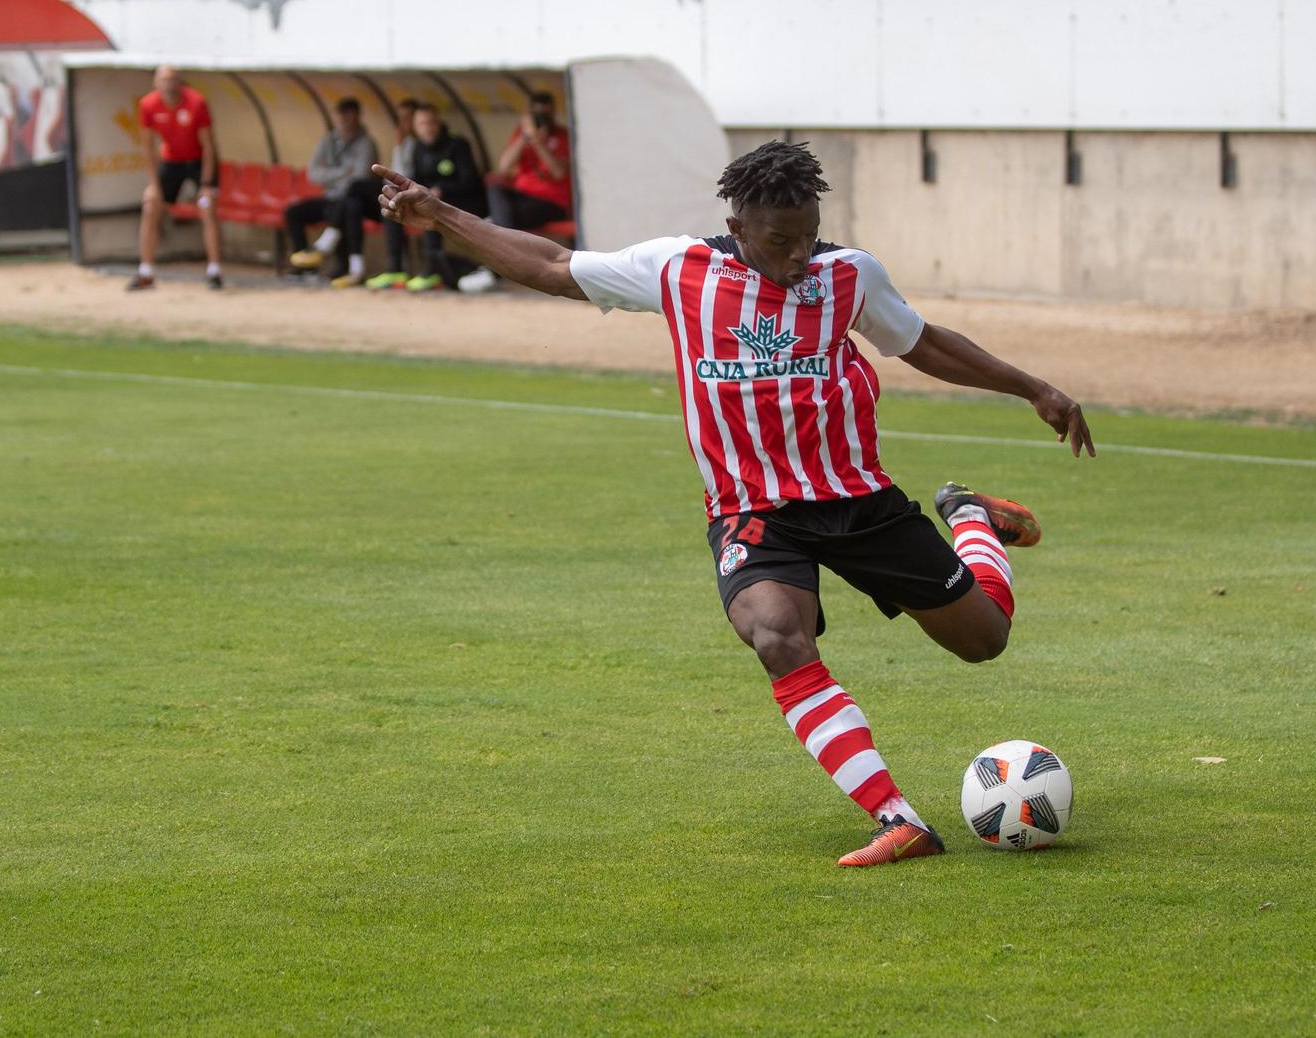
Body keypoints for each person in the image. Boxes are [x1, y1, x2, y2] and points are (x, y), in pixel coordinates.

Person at [371, 140, 1094, 866]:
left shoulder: (847, 276)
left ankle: (969, 517)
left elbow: (922, 342)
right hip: (752, 510)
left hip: (858, 499)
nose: (798, 256)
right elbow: (552, 265)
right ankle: (897, 818)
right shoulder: (680, 269)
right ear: (739, 226)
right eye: (781, 241)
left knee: (984, 640)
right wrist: (440, 214)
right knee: (777, 634)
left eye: (809, 236)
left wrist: (1034, 387)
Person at [460, 90, 571, 291]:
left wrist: (539, 142)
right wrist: (525, 137)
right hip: (520, 198)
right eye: (536, 114)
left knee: (498, 218)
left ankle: (496, 255)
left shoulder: (562, 136)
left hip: (551, 202)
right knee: (494, 186)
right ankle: (501, 245)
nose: (541, 119)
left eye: (545, 114)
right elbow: (504, 166)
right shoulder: (522, 134)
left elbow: (558, 172)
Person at [129, 64, 224, 291]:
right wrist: (154, 185)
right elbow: (148, 149)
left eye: (172, 80)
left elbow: (209, 146)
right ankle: (146, 272)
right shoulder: (148, 105)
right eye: (164, 80)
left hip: (197, 161)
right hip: (171, 162)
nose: (168, 85)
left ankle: (214, 271)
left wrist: (206, 183)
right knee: (150, 204)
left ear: (180, 82)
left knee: (207, 207)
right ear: (156, 83)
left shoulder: (196, 103)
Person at [365, 103, 480, 292]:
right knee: (394, 204)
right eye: (422, 124)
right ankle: (395, 270)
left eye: (431, 122)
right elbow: (415, 178)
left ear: (439, 123)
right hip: (430, 199)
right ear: (415, 127)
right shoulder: (417, 147)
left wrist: (441, 189)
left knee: (430, 208)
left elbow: (470, 182)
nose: (427, 128)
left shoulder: (458, 144)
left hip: (461, 202)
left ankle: (431, 271)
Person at [285, 95, 377, 281]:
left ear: (357, 117)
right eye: (340, 116)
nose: (343, 121)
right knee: (293, 212)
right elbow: (313, 173)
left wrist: (330, 176)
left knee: (349, 206)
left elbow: (360, 177)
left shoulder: (366, 142)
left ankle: (341, 265)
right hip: (331, 197)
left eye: (348, 116)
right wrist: (343, 172)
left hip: (353, 201)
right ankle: (305, 265)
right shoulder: (328, 140)